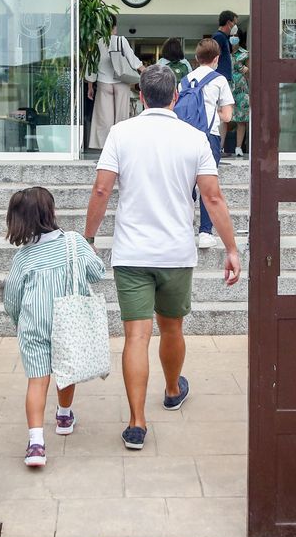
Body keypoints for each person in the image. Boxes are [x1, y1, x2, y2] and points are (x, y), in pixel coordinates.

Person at [84, 65, 242, 451]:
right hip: (175, 253)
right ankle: (172, 390)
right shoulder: (195, 138)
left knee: (135, 336)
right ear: (175, 97)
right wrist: (232, 249)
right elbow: (213, 198)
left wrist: (88, 238)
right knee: (172, 329)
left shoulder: (121, 133)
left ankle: (137, 423)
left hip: (132, 252)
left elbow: (102, 190)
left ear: (141, 97)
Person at [3, 186, 106, 468]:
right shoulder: (74, 242)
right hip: (68, 320)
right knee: (66, 368)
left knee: (37, 381)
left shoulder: (23, 257)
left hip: (33, 325)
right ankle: (63, 415)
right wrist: (90, 252)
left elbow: (11, 297)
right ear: (51, 213)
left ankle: (36, 443)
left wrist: (18, 321)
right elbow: (98, 273)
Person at [182, 38, 235, 248]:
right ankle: (205, 233)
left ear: (196, 58)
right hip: (208, 137)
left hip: (184, 136)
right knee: (207, 184)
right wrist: (216, 111)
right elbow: (228, 116)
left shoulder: (185, 80)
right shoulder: (219, 80)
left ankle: (184, 229)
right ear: (217, 58)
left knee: (186, 184)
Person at [87, 14, 145, 150]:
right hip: (121, 81)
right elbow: (132, 59)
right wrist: (145, 71)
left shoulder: (97, 42)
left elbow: (91, 66)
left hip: (103, 83)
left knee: (104, 120)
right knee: (122, 118)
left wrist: (90, 85)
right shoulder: (121, 40)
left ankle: (106, 149)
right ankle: (120, 147)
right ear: (114, 27)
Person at [221, 29, 250, 158]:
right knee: (223, 119)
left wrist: (246, 70)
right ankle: (221, 147)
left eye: (236, 36)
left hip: (241, 90)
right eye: (231, 36)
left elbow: (250, 73)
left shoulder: (245, 54)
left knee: (241, 119)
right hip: (225, 89)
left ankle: (238, 147)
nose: (233, 38)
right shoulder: (223, 53)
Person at [211, 10, 237, 83]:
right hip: (219, 78)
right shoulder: (219, 37)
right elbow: (213, 57)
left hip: (223, 78)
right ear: (228, 22)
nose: (235, 27)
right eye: (234, 23)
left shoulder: (224, 37)